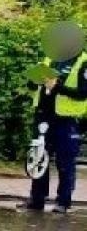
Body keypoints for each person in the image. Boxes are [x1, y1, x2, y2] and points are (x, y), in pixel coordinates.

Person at [25, 21, 86, 213]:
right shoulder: (50, 58)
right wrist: (34, 80)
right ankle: (37, 201)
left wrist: (57, 86)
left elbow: (83, 93)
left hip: (66, 119)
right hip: (43, 116)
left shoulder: (83, 62)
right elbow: (33, 85)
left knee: (65, 162)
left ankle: (63, 202)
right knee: (38, 158)